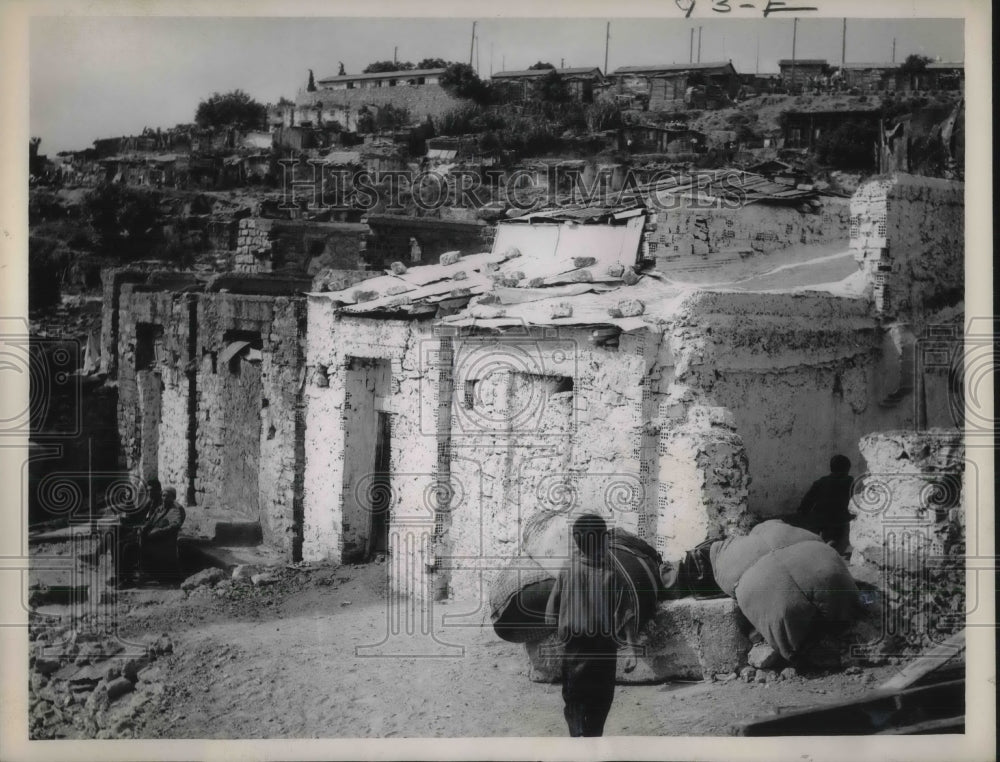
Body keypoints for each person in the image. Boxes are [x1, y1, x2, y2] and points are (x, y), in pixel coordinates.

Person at [545, 514, 639, 737]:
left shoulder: (567, 571)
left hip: (574, 652)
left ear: (577, 542)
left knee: (574, 703)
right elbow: (628, 614)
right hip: (604, 653)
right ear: (605, 539)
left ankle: (577, 740)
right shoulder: (614, 575)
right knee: (599, 706)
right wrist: (633, 651)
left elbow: (551, 615)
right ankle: (592, 742)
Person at [797, 455, 856, 557]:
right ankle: (832, 545)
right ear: (847, 469)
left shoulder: (821, 481)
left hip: (819, 517)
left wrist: (803, 513)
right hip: (839, 519)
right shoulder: (850, 482)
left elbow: (808, 500)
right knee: (840, 535)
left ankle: (823, 544)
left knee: (822, 532)